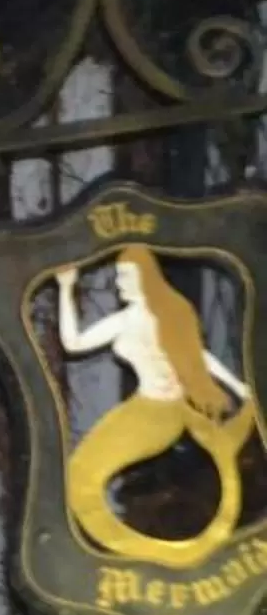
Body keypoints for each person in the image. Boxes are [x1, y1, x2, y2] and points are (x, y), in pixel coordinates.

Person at [53, 243, 257, 568]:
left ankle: (168, 553)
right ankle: (155, 554)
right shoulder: (125, 320)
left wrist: (238, 387)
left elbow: (197, 356)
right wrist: (65, 288)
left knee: (81, 478)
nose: (119, 284)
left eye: (126, 277)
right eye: (119, 277)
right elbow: (73, 343)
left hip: (162, 415)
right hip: (143, 407)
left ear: (146, 277)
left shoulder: (171, 313)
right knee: (79, 478)